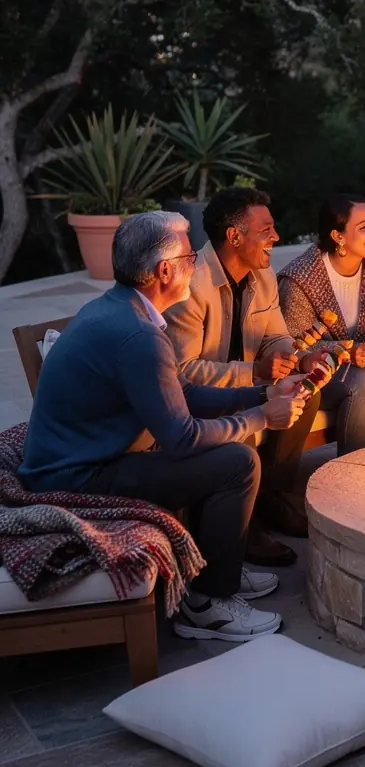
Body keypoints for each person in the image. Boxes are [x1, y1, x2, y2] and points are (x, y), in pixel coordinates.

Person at [18, 212, 306, 641]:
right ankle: (209, 602)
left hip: (85, 457)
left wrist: (261, 395)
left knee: (230, 453)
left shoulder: (122, 309)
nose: (197, 264)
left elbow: (183, 392)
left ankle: (214, 566)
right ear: (164, 271)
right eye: (191, 257)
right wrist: (261, 419)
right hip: (77, 475)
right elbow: (182, 436)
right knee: (237, 463)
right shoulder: (138, 335)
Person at [164, 187, 321, 566]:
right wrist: (255, 371)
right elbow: (184, 374)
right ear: (235, 236)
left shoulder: (261, 277)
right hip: (200, 397)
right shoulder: (191, 286)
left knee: (304, 392)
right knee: (251, 422)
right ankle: (243, 528)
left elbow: (276, 334)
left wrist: (293, 358)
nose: (275, 237)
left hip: (247, 383)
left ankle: (271, 499)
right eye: (265, 229)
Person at [278, 194, 365, 454]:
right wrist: (347, 351)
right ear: (338, 236)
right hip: (319, 370)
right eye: (363, 227)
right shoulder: (300, 279)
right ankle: (348, 468)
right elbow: (295, 345)